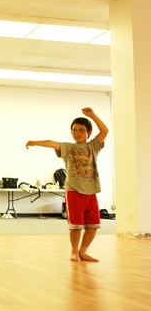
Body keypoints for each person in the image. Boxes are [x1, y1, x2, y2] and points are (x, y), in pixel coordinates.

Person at [26, 107, 108, 262]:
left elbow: (105, 131)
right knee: (76, 225)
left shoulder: (93, 146)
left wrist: (93, 115)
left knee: (94, 225)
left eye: (81, 130)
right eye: (74, 130)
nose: (77, 133)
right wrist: (35, 142)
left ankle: (83, 252)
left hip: (91, 191)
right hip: (73, 191)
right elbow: (52, 143)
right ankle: (74, 251)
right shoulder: (69, 148)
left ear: (88, 132)